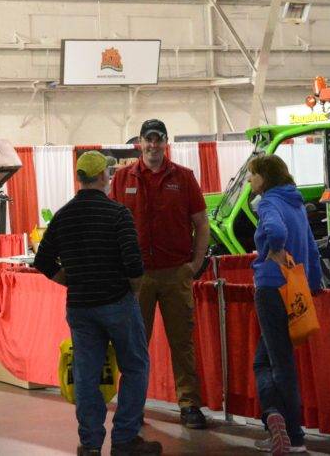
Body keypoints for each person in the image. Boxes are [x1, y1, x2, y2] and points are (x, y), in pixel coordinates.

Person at [34, 151, 161, 456]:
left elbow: (42, 260)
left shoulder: (63, 216)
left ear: (80, 178)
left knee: (86, 375)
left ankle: (90, 443)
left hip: (80, 306)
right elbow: (134, 265)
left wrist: (72, 280)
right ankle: (125, 438)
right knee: (135, 366)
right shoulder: (118, 214)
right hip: (117, 302)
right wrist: (131, 291)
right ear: (104, 176)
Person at [109, 119, 211, 429]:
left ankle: (189, 404)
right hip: (136, 279)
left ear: (166, 142)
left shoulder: (184, 177)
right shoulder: (122, 178)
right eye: (148, 139)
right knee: (135, 345)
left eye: (158, 139)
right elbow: (113, 225)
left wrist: (194, 264)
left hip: (175, 273)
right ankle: (132, 408)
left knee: (182, 342)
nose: (153, 145)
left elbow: (202, 223)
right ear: (139, 143)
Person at [248, 155, 323, 455]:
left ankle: (290, 431)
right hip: (296, 290)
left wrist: (275, 250)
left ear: (265, 178)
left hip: (270, 287)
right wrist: (314, 285)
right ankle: (277, 418)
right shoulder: (296, 204)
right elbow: (313, 249)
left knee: (276, 363)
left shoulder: (267, 204)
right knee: (273, 358)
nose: (251, 181)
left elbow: (275, 232)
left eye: (253, 175)